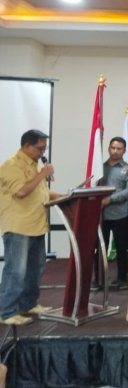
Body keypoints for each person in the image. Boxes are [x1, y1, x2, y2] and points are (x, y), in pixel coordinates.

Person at [0, 130, 61, 326]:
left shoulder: (35, 165)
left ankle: (28, 304)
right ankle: (7, 312)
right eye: (40, 148)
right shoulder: (11, 165)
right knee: (16, 271)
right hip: (18, 226)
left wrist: (67, 195)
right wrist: (43, 174)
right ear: (26, 146)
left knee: (36, 268)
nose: (43, 153)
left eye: (45, 149)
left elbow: (41, 192)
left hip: (37, 224)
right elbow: (21, 191)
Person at [99, 137, 128, 289]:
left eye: (119, 148)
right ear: (108, 148)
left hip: (120, 214)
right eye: (113, 148)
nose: (115, 151)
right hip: (101, 216)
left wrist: (110, 199)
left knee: (122, 248)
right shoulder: (99, 168)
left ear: (124, 151)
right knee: (100, 248)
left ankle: (122, 278)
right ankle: (100, 278)